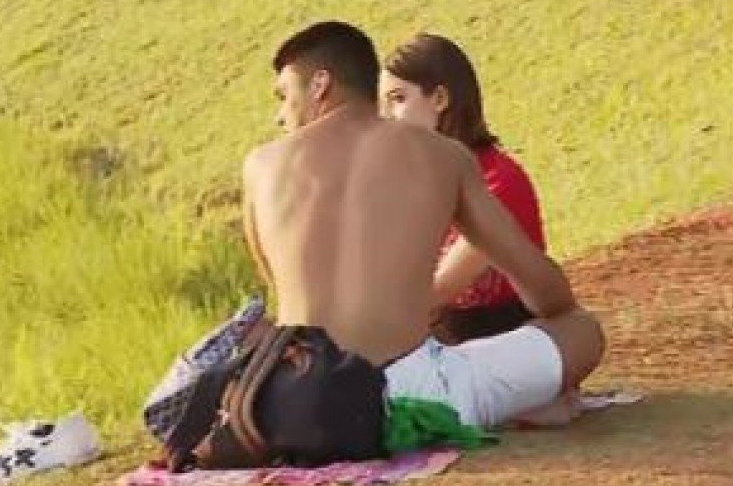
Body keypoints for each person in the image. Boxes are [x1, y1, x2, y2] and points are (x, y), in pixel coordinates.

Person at [243, 22, 604, 429]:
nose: (280, 115)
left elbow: (279, 294)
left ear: (320, 84)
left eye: (284, 96)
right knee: (581, 330)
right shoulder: (444, 156)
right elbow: (547, 294)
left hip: (301, 402)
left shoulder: (260, 165)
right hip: (409, 398)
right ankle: (517, 404)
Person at [379, 34, 544, 348]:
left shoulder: (497, 181)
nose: (386, 117)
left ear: (440, 99)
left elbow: (440, 291)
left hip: (502, 336)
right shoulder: (414, 181)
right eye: (384, 103)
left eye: (398, 99)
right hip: (448, 333)